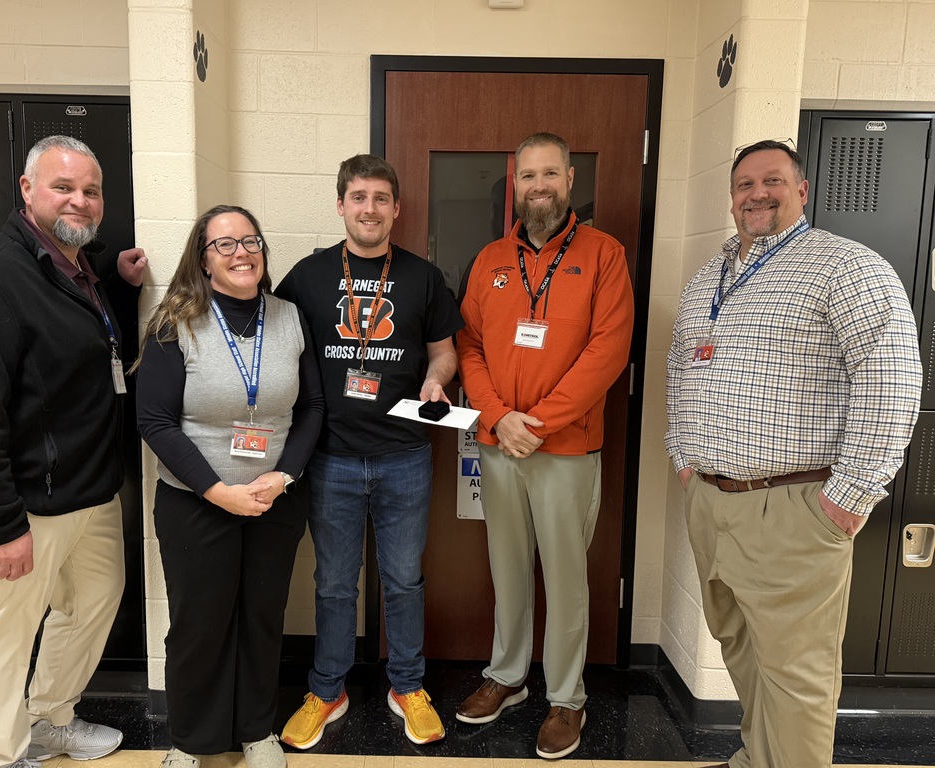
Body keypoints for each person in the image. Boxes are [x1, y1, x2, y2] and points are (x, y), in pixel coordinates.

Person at [665, 139, 922, 768]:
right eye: (744, 185)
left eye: (771, 181)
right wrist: (683, 455)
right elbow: (681, 367)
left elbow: (891, 377)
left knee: (798, 673)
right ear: (731, 199)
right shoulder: (710, 277)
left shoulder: (844, 266)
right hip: (713, 499)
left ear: (801, 190)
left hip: (794, 505)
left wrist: (852, 494)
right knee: (742, 647)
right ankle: (758, 758)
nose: (757, 194)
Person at [0, 135, 147, 768]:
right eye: (63, 187)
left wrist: (121, 290)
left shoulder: (77, 271)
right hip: (19, 503)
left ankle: (51, 719)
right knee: (5, 629)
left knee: (97, 599)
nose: (80, 200)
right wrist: (0, 524)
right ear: (27, 191)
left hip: (86, 492)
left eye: (91, 191)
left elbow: (85, 354)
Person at [455, 132, 634, 759]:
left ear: (569, 182)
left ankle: (566, 697)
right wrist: (499, 417)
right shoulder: (489, 260)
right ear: (515, 185)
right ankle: (508, 678)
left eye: (550, 174)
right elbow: (469, 346)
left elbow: (608, 351)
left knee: (565, 577)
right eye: (528, 175)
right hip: (499, 443)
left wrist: (538, 423)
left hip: (565, 449)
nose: (539, 186)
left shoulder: (603, 255)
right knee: (506, 568)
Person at [275, 154, 463, 749]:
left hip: (405, 454)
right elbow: (271, 342)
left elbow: (444, 351)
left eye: (381, 199)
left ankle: (406, 685)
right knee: (334, 582)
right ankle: (327, 688)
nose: (370, 209)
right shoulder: (306, 277)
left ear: (397, 208)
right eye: (358, 197)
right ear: (340, 205)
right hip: (329, 458)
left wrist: (439, 379)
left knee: (404, 580)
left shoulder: (422, 277)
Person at [135, 205, 324, 768]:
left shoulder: (289, 317)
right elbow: (155, 422)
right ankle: (191, 741)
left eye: (250, 241)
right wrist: (218, 491)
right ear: (203, 259)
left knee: (262, 618)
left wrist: (282, 476)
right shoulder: (176, 321)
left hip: (274, 501)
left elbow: (312, 407)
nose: (241, 252)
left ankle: (256, 731)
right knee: (199, 625)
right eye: (224, 245)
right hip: (196, 504)